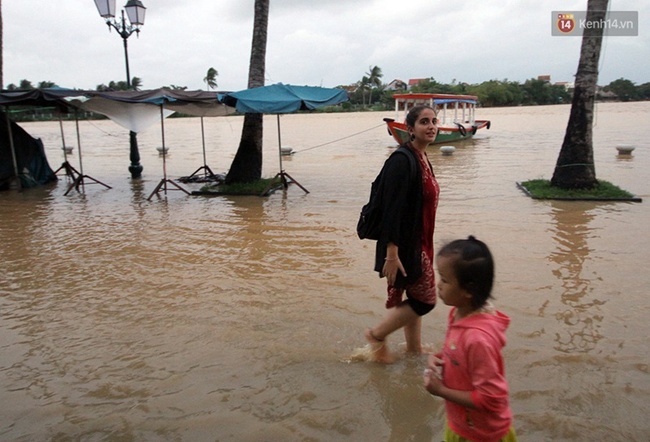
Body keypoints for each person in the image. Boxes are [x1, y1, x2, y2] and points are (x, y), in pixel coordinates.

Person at [364, 104, 440, 363]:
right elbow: (391, 211)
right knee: (426, 301)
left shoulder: (422, 157)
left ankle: (413, 350)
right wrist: (392, 254)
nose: (431, 126)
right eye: (424, 122)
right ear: (410, 129)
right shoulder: (401, 160)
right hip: (405, 246)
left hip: (422, 240)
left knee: (415, 297)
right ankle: (377, 335)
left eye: (434, 121)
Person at [423, 236, 517, 442]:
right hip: (460, 425)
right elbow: (456, 352)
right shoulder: (458, 313)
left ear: (468, 290)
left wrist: (441, 391)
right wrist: (437, 357)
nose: (438, 285)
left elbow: (490, 399)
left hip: (482, 435)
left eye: (445, 280)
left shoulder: (478, 339)